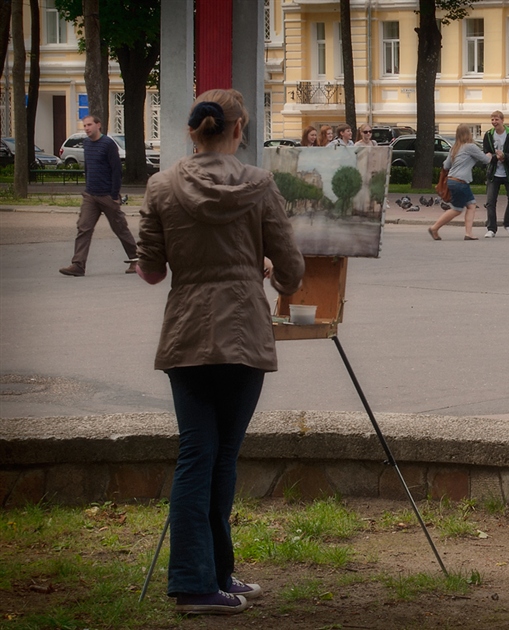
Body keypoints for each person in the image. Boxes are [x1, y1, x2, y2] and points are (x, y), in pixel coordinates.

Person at [136, 89, 305, 616]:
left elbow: (151, 269)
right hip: (243, 335)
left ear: (193, 131)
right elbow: (294, 271)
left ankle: (209, 576)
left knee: (196, 456)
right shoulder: (259, 184)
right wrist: (267, 270)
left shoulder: (161, 186)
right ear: (238, 131)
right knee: (220, 459)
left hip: (186, 334)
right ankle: (198, 583)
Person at [58, 114, 138, 277]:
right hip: (91, 195)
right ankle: (78, 265)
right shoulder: (86, 144)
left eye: (89, 125)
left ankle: (137, 260)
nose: (86, 128)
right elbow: (88, 166)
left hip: (107, 195)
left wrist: (115, 194)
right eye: (84, 125)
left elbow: (116, 171)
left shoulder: (108, 144)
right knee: (83, 228)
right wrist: (88, 187)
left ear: (98, 125)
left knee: (120, 229)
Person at [428, 124, 491, 241]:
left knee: (471, 205)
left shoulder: (454, 148)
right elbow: (485, 160)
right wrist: (490, 155)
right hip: (460, 182)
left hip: (452, 180)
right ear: (468, 134)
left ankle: (469, 233)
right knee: (456, 209)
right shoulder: (470, 147)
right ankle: (435, 228)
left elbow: (446, 165)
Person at [482, 110, 509, 238]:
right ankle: (491, 228)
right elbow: (486, 153)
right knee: (490, 201)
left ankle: (508, 223)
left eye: (496, 119)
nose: (494, 122)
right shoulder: (488, 135)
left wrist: (504, 156)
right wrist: (493, 157)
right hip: (494, 173)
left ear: (502, 120)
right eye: (492, 119)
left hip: (508, 172)